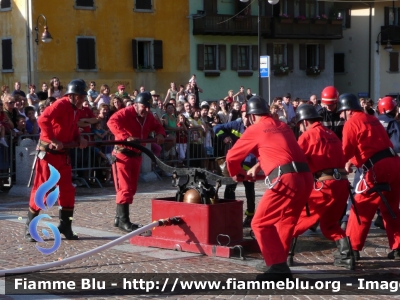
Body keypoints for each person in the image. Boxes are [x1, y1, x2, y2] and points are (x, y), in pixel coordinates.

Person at [226, 96, 313, 281]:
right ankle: (279, 262)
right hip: (306, 178)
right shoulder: (282, 126)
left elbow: (232, 157)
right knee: (286, 221)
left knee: (259, 223)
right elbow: (279, 152)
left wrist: (237, 173)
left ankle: (278, 267)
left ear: (250, 116)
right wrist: (259, 168)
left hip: (286, 180)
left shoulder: (254, 128)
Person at [24, 79, 89, 242]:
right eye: (80, 96)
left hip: (63, 155)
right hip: (48, 155)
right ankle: (29, 227)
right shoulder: (61, 104)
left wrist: (79, 138)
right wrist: (52, 139)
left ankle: (66, 225)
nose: (83, 99)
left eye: (83, 96)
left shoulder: (75, 110)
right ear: (72, 96)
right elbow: (42, 120)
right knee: (42, 190)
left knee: (67, 190)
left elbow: (72, 127)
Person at [290, 104, 353, 270]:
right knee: (330, 224)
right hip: (342, 184)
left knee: (295, 219)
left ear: (304, 122)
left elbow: (297, 161)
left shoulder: (308, 135)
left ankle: (283, 257)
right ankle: (346, 256)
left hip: (324, 185)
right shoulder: (331, 134)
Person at [338, 93, 400, 260]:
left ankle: (351, 249)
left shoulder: (351, 123)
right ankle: (398, 247)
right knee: (391, 209)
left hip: (376, 169)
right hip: (394, 164)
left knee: (360, 208)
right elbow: (374, 143)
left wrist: (337, 165)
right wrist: (353, 160)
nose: (340, 115)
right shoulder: (372, 118)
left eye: (342, 112)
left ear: (349, 111)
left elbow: (346, 150)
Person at [107, 92, 166, 232]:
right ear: (136, 104)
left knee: (131, 188)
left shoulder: (148, 117)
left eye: (148, 107)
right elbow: (111, 122)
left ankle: (118, 217)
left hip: (137, 154)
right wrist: (125, 136)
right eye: (144, 107)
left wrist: (160, 134)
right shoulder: (126, 112)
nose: (146, 110)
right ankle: (124, 221)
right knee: (125, 188)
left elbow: (158, 126)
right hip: (122, 155)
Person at [214, 104, 257, 227]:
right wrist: (224, 137)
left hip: (249, 164)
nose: (247, 119)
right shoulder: (236, 125)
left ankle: (250, 216)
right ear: (241, 116)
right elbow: (216, 128)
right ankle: (230, 214)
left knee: (249, 190)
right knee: (229, 188)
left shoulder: (256, 128)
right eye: (245, 116)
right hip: (235, 164)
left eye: (249, 116)